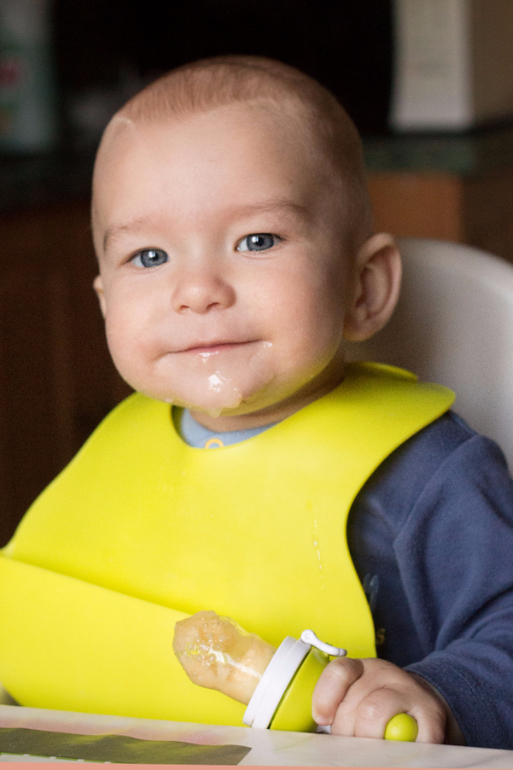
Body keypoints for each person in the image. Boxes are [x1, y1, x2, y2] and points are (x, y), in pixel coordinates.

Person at [1, 55, 512, 750]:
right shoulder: (112, 452)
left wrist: (440, 694)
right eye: (149, 257)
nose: (196, 291)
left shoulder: (428, 475)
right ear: (105, 304)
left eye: (257, 240)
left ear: (362, 288)